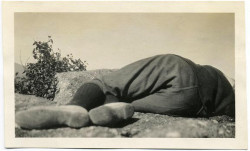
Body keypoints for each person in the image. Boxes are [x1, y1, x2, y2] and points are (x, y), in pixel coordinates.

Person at [16, 54, 235, 129]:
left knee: (104, 83)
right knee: (127, 102)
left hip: (178, 70)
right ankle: (109, 110)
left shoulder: (204, 70)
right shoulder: (233, 96)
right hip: (194, 105)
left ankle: (74, 108)